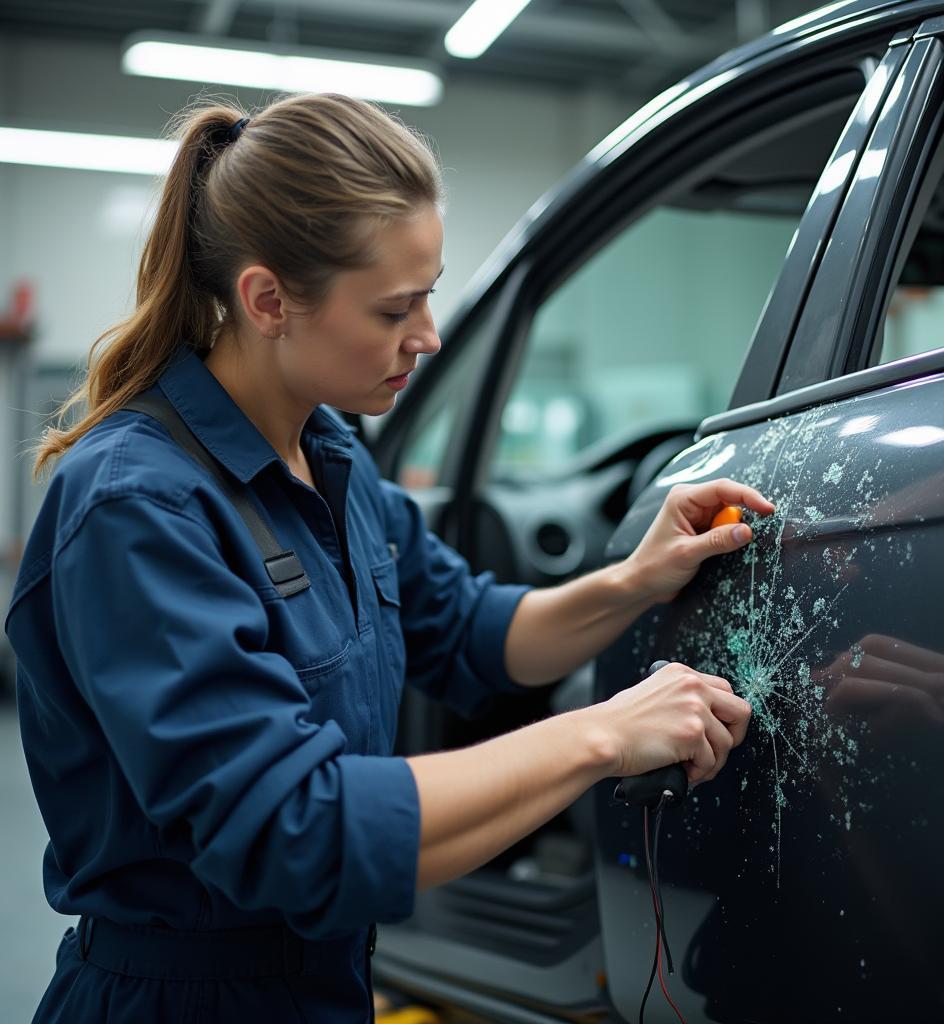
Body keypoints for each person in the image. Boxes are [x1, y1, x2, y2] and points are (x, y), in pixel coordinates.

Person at [4, 93, 773, 1023]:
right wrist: (604, 734)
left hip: (323, 984)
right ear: (268, 300)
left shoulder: (330, 458)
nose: (429, 336)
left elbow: (479, 634)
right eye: (394, 308)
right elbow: (302, 830)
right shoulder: (138, 504)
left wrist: (635, 579)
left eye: (430, 294)